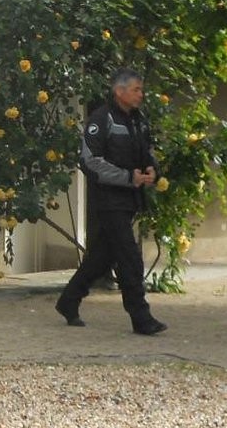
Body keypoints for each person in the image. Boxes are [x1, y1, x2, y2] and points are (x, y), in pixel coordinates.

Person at [56, 69, 168, 335]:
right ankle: (141, 318)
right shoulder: (101, 119)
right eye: (136, 90)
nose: (141, 95)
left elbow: (147, 151)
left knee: (102, 257)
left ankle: (68, 300)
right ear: (120, 91)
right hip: (108, 200)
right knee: (129, 257)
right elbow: (89, 161)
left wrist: (152, 169)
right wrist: (128, 177)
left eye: (141, 90)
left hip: (129, 199)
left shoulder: (139, 120)